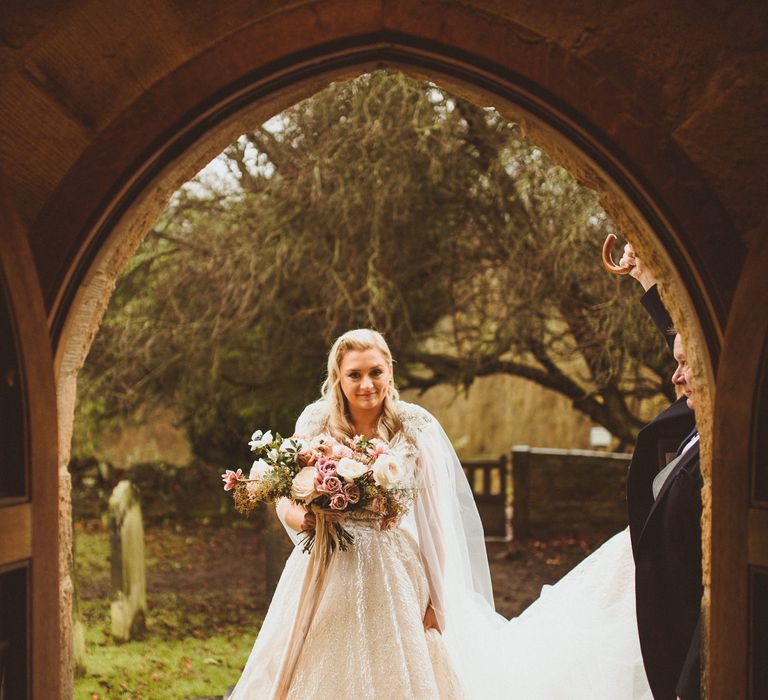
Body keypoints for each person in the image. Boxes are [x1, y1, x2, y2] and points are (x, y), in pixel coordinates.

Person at [230, 328, 653, 699]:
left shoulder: (414, 426)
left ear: (390, 372)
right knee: (321, 655)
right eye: (354, 374)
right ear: (338, 378)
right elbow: (284, 491)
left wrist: (438, 596)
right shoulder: (316, 421)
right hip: (325, 564)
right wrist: (295, 518)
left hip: (392, 567)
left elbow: (434, 518)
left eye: (375, 371)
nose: (366, 384)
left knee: (396, 662)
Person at [618, 245, 702, 700]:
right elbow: (690, 340)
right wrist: (650, 280)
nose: (675, 377)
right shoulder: (694, 415)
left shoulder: (723, 447)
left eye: (684, 365)